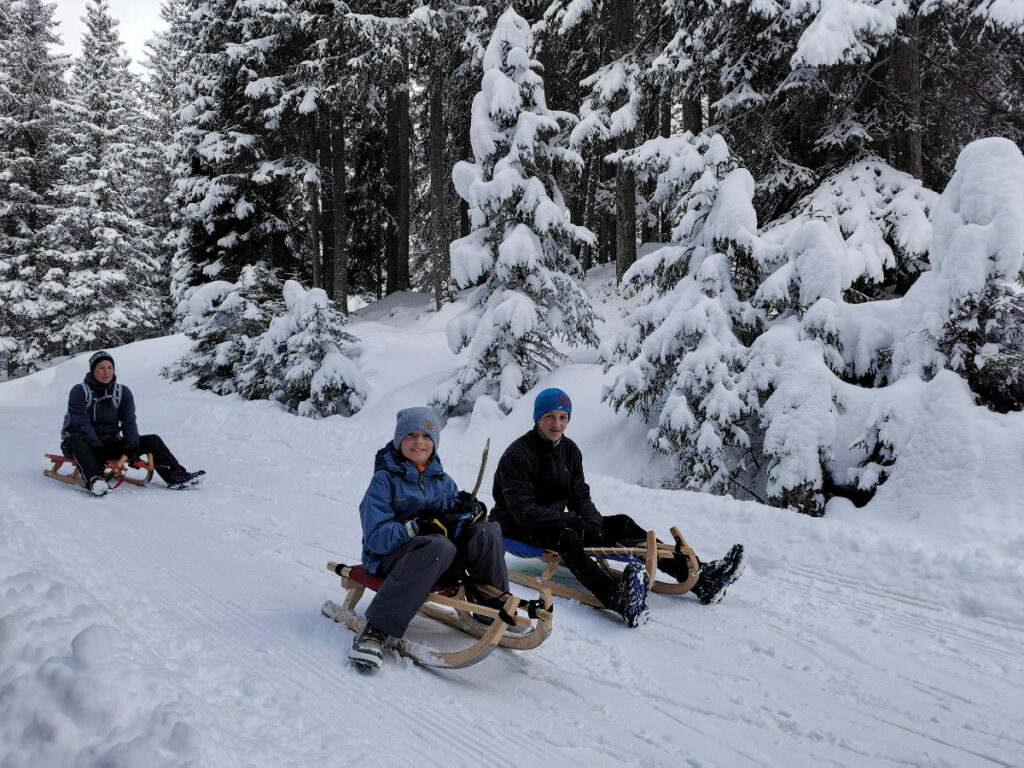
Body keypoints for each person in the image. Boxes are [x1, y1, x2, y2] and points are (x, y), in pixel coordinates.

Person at [491, 388, 744, 627]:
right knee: (567, 537)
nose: (556, 424)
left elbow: (580, 495)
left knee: (621, 523)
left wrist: (591, 520)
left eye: (562, 417)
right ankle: (618, 598)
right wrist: (571, 521)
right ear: (537, 418)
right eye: (549, 417)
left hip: (557, 520)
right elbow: (522, 510)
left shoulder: (569, 451)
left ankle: (702, 580)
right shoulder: (518, 455)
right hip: (516, 525)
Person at [350, 406, 510, 673]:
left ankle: (490, 609)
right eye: (411, 435)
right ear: (399, 439)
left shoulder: (442, 479)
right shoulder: (384, 481)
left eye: (426, 436)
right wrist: (415, 527)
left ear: (434, 442)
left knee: (488, 530)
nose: (419, 442)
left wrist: (470, 512)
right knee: (438, 544)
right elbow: (377, 538)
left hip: (438, 559)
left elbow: (454, 517)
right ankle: (376, 629)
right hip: (391, 559)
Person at [61, 350, 206, 496]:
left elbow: (129, 421)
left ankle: (176, 476)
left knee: (152, 440)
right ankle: (95, 480)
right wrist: (95, 445)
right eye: (101, 368)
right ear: (93, 370)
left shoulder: (122, 392)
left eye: (110, 367)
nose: (107, 372)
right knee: (76, 438)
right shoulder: (79, 391)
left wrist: (132, 446)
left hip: (109, 443)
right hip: (81, 445)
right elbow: (81, 422)